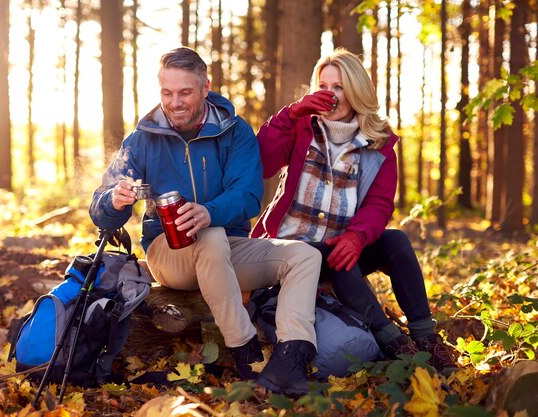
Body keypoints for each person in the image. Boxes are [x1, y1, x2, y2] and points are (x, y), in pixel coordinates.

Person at [89, 47, 323, 395]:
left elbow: (248, 195)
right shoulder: (142, 139)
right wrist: (114, 200)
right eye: (167, 93)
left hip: (227, 248)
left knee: (305, 256)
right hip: (169, 254)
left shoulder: (235, 131)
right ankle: (248, 357)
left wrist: (209, 211)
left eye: (185, 92)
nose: (175, 102)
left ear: (205, 87)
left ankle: (290, 359)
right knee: (210, 238)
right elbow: (99, 205)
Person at [250, 48, 458, 376]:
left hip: (337, 251)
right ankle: (393, 341)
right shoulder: (301, 127)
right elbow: (260, 164)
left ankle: (426, 338)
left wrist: (358, 235)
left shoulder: (379, 144)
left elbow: (379, 204)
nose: (329, 95)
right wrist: (290, 114)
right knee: (333, 256)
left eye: (338, 87)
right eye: (323, 85)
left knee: (395, 242)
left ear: (356, 91)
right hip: (286, 252)